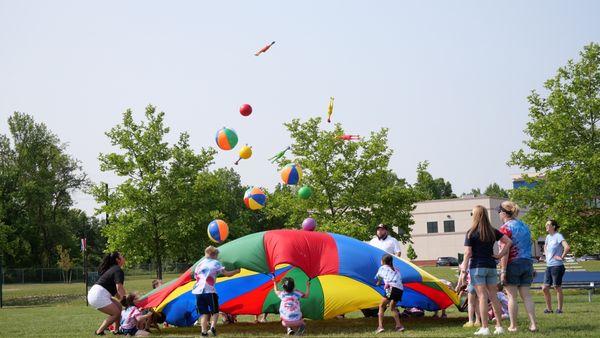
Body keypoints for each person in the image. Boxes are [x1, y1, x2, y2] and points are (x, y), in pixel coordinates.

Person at [460, 205, 512, 336]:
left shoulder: (471, 232)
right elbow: (509, 242)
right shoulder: (492, 231)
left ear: (476, 216)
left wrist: (463, 271)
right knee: (493, 296)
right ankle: (499, 326)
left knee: (482, 297)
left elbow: (467, 253)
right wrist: (500, 255)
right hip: (491, 266)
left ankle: (485, 327)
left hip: (477, 267)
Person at [498, 201, 538, 332]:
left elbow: (505, 250)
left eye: (499, 211)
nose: (498, 214)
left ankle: (513, 326)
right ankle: (533, 324)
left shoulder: (505, 229)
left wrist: (503, 270)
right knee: (526, 296)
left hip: (512, 263)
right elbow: (528, 247)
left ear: (504, 213)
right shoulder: (525, 226)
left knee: (511, 296)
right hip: (527, 263)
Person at [192, 246, 240, 337]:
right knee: (215, 311)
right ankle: (213, 328)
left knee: (204, 313)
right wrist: (237, 271)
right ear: (213, 255)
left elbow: (196, 277)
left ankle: (203, 332)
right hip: (209, 291)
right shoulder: (216, 263)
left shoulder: (199, 264)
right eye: (217, 255)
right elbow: (226, 274)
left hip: (198, 292)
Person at [364, 224, 402, 317]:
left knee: (390, 286)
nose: (379, 231)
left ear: (386, 231)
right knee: (377, 285)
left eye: (381, 230)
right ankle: (376, 306)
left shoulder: (392, 240)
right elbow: (369, 252)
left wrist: (393, 264)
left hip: (388, 269)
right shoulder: (373, 241)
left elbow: (398, 252)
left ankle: (392, 305)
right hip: (376, 268)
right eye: (378, 230)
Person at [88, 251, 127, 336]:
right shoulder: (118, 270)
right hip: (98, 295)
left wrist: (122, 301)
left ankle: (116, 330)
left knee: (118, 307)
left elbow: (116, 292)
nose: (124, 257)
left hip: (96, 293)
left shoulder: (113, 269)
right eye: (122, 256)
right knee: (115, 313)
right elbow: (119, 287)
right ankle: (99, 331)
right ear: (118, 260)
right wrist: (126, 299)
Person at [542, 219, 570, 314]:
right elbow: (545, 247)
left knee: (556, 287)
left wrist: (561, 257)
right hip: (549, 266)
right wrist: (547, 256)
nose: (546, 226)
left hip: (557, 266)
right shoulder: (548, 237)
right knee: (545, 288)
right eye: (546, 225)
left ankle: (559, 309)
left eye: (548, 224)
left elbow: (567, 247)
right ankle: (549, 309)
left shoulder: (558, 236)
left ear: (553, 226)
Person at [374, 254, 405, 334]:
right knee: (392, 307)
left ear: (383, 261)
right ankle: (399, 326)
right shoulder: (396, 269)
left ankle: (380, 326)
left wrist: (378, 283)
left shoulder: (382, 268)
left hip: (391, 288)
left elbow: (378, 278)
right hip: (400, 289)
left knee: (381, 306)